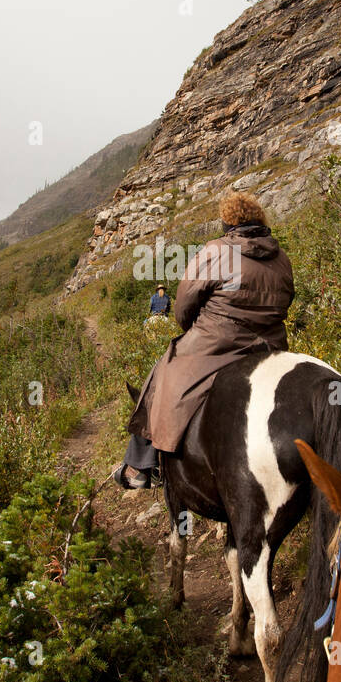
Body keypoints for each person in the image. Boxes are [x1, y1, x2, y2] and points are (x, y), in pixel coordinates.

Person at [112, 191, 294, 489]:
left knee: (165, 371)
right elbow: (287, 299)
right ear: (260, 220)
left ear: (227, 222)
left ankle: (142, 466)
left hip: (219, 345)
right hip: (271, 347)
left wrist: (196, 329)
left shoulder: (215, 251)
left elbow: (183, 306)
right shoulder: (281, 257)